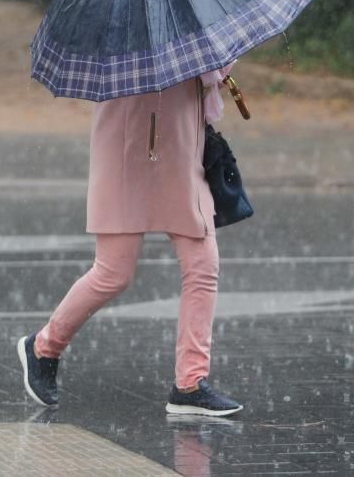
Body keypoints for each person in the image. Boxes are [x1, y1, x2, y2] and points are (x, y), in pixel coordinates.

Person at [17, 65, 243, 417]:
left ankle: (190, 384)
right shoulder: (118, 27)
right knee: (113, 272)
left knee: (203, 265)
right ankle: (43, 347)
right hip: (124, 147)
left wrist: (218, 64)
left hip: (183, 149)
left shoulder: (185, 21)